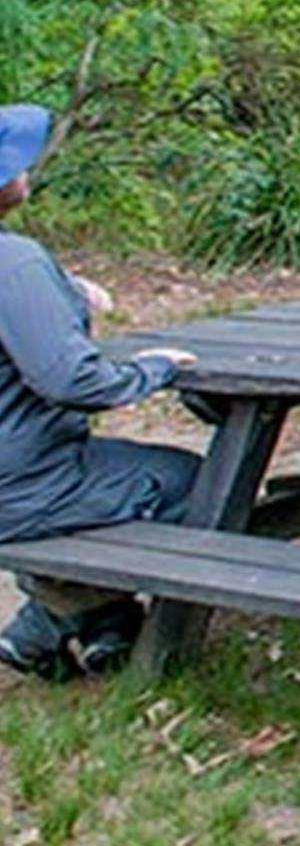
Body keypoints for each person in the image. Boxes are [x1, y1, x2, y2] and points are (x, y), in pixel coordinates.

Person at [0, 104, 199, 680]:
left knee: (129, 475)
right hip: (25, 484)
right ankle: (66, 618)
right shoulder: (14, 265)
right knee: (196, 483)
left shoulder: (20, 268)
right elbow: (71, 381)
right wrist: (154, 369)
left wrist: (63, 290)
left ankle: (100, 624)